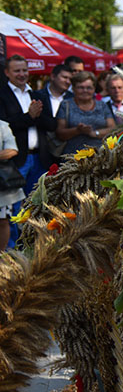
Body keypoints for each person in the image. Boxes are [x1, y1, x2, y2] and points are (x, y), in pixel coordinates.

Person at [0, 55, 54, 196]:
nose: (22, 74)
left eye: (25, 70)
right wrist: (29, 117)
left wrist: (36, 115)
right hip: (16, 160)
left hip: (40, 158)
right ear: (7, 72)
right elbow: (4, 126)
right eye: (17, 71)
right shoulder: (2, 95)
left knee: (39, 203)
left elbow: (52, 124)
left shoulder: (37, 95)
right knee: (16, 206)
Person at [55, 72, 116, 157]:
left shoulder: (102, 105)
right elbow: (59, 133)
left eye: (89, 88)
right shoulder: (66, 105)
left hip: (100, 157)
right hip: (73, 158)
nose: (85, 91)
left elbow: (113, 128)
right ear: (73, 88)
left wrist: (94, 133)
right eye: (81, 87)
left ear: (94, 89)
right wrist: (77, 130)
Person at [0, 118, 21, 249]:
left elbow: (12, 150)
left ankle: (1, 258)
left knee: (2, 221)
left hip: (1, 184)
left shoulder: (2, 126)